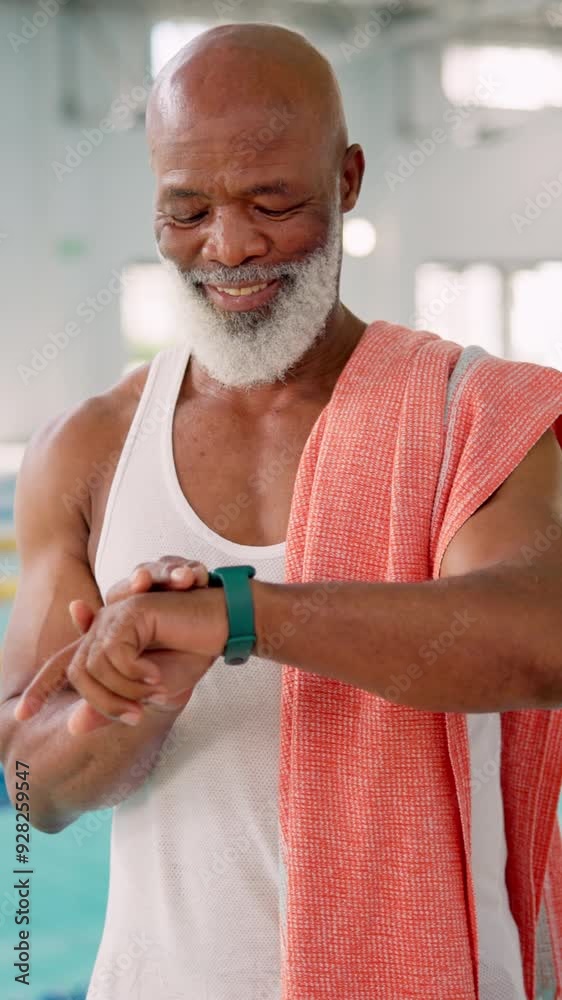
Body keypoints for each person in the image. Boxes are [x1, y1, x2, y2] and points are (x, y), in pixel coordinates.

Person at [1, 22, 561, 1000]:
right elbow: (28, 791)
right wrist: (128, 701)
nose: (230, 246)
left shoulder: (472, 413)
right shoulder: (88, 448)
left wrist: (240, 614)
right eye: (186, 211)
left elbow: (541, 639)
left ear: (346, 180)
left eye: (272, 201)